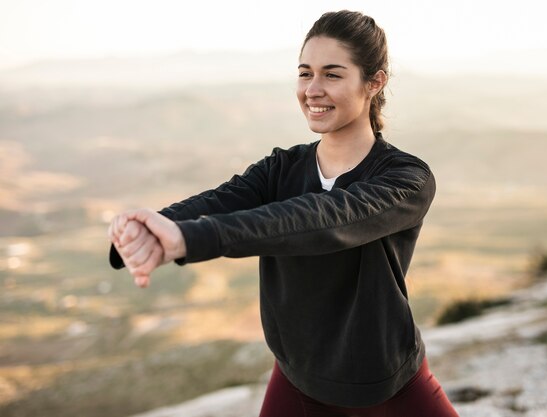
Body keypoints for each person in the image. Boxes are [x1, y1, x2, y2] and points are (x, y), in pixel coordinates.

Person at [108, 10, 459, 417]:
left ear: (374, 82)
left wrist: (191, 239)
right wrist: (147, 230)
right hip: (298, 380)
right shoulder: (281, 168)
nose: (312, 89)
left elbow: (325, 218)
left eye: (332, 74)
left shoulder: (406, 179)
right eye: (304, 73)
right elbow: (220, 199)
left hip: (386, 384)